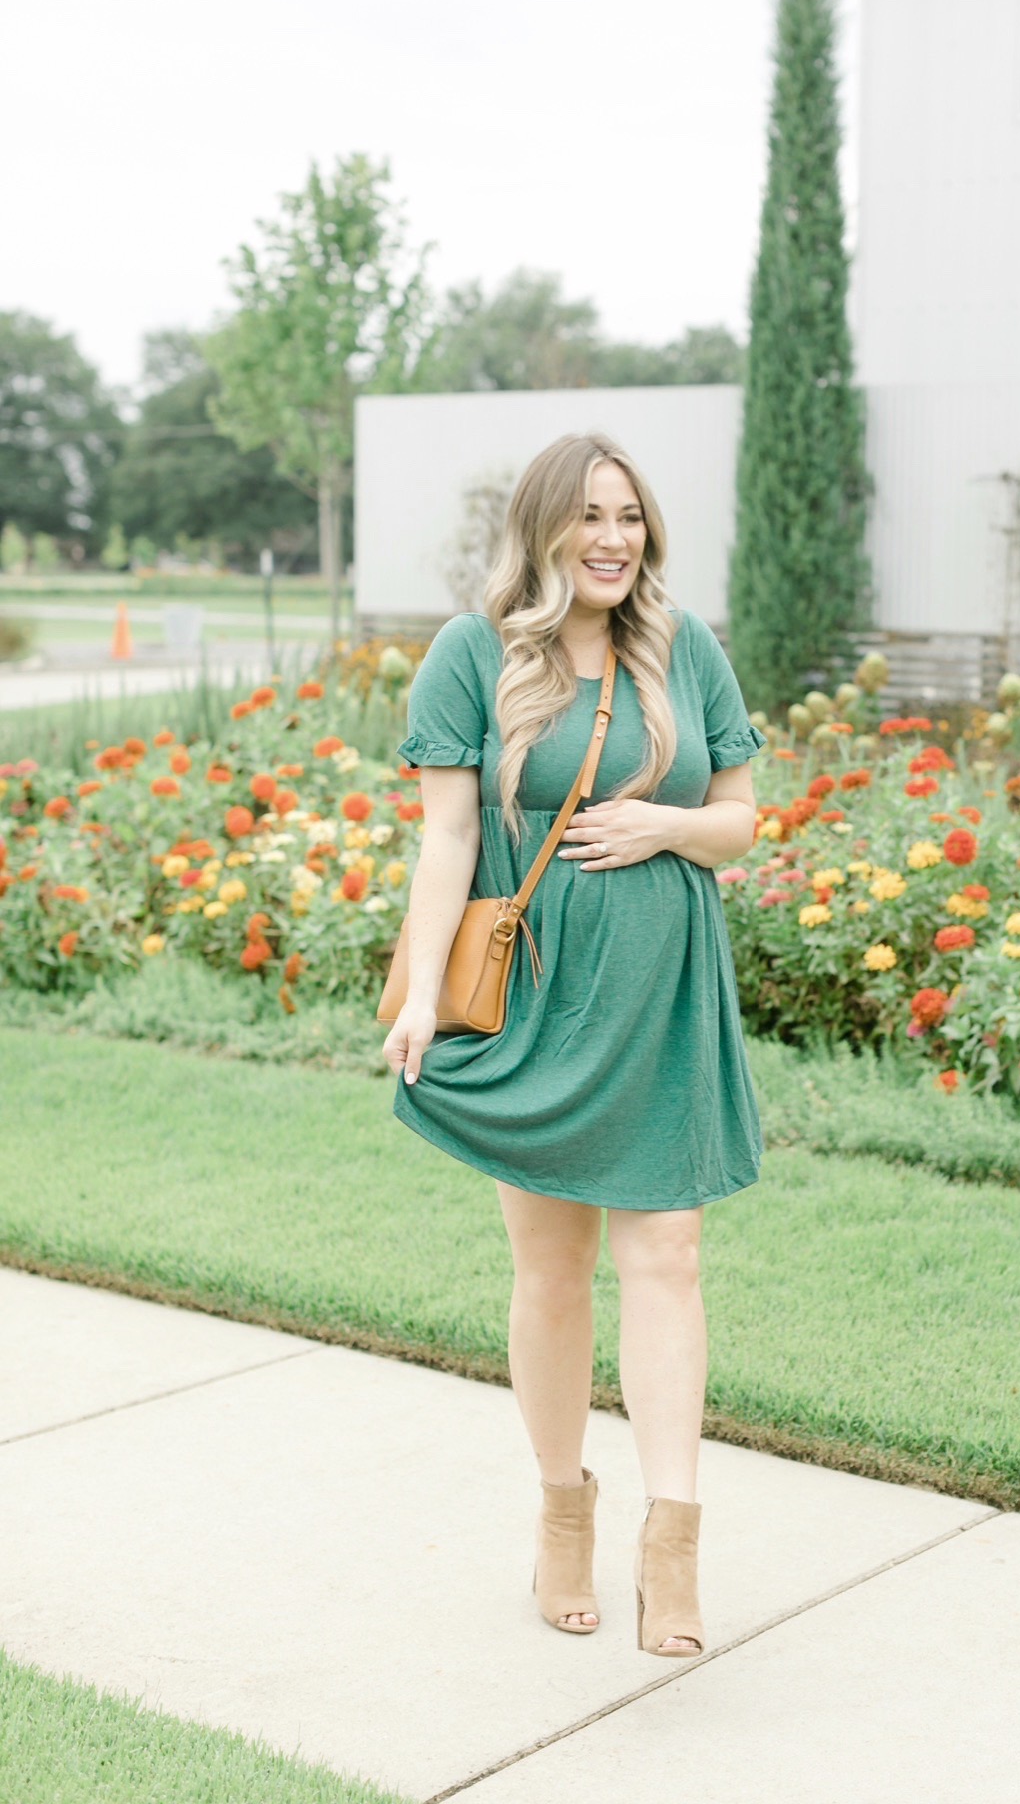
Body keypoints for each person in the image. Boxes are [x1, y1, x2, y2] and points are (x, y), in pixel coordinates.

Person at [381, 430, 766, 1659]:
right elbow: (447, 838)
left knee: (671, 1254)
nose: (613, 539)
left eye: (630, 517)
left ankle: (674, 1539)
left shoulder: (681, 646)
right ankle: (561, 1516)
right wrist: (417, 994)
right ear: (543, 529)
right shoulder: (470, 654)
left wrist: (665, 820)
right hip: (537, 998)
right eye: (589, 517)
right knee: (549, 1265)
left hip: (661, 993)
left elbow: (743, 823)